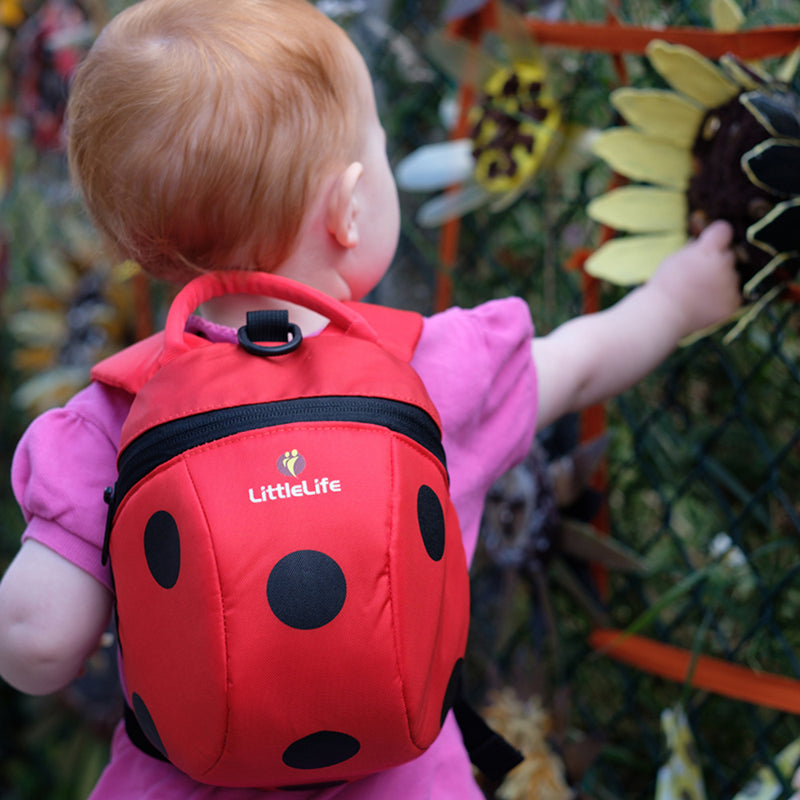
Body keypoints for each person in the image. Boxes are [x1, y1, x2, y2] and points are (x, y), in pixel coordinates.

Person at [0, 0, 740, 797]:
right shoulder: (430, 371)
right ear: (350, 208)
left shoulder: (113, 418)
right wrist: (676, 300)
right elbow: (584, 364)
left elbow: (38, 644)